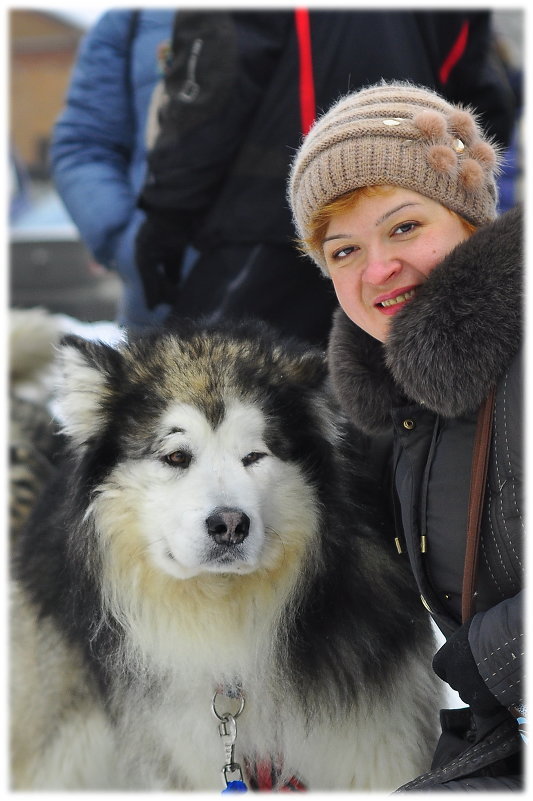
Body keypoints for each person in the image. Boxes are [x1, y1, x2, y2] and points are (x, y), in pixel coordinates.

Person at [288, 81, 523, 789]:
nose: (378, 270)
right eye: (342, 251)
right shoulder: (401, 406)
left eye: (403, 227)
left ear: (468, 218)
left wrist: (495, 655)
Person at [136, 9, 515, 348]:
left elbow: (211, 85)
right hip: (419, 217)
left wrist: (167, 211)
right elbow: (483, 98)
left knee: (207, 390)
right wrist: (449, 185)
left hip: (267, 223)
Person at [50, 9, 176, 330]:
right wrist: (127, 242)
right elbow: (83, 144)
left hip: (298, 286)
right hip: (162, 300)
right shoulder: (130, 20)